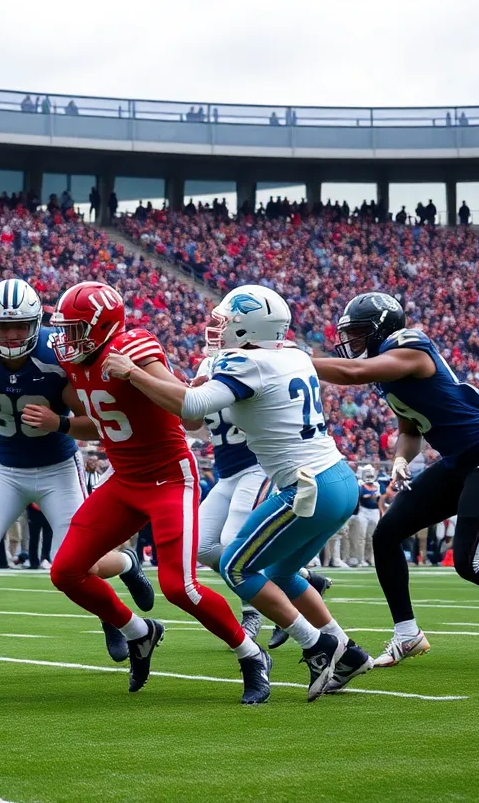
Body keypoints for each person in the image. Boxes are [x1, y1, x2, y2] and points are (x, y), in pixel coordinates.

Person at [107, 284, 372, 699]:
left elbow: (192, 407)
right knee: (281, 573)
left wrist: (133, 373)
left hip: (307, 486)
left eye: (226, 321)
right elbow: (202, 413)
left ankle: (319, 646)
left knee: (235, 568)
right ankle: (348, 652)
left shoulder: (247, 362)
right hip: (338, 478)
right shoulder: (293, 354)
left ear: (248, 327)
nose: (218, 328)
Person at [310, 292, 479, 668]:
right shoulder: (386, 370)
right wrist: (401, 460)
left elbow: (354, 373)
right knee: (386, 535)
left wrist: (296, 361)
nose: (352, 340)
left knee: (470, 562)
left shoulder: (409, 346)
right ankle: (407, 634)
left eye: (358, 331)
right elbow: (410, 429)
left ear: (382, 329)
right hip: (459, 460)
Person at [44, 281, 269, 703]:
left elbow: (188, 408)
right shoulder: (74, 363)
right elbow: (106, 422)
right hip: (124, 479)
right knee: (66, 572)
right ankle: (139, 632)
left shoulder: (134, 346)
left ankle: (250, 654)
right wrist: (59, 423)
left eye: (75, 329)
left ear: (101, 326)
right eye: (65, 329)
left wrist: (135, 372)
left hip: (169, 478)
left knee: (179, 587)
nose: (66, 339)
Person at [0, 279, 152, 670]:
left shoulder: (57, 352)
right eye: (2, 326)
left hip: (58, 467)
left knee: (78, 563)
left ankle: (121, 579)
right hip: (3, 467)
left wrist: (59, 422)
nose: (11, 335)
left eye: (20, 326)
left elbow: (99, 423)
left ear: (35, 323)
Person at [186, 352, 273, 641]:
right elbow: (191, 424)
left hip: (255, 468)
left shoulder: (250, 367)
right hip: (226, 475)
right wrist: (194, 395)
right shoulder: (207, 367)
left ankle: (252, 610)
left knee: (232, 542)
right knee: (201, 546)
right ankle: (294, 580)